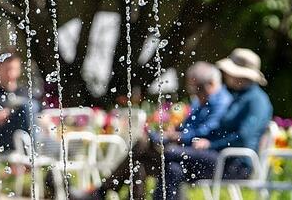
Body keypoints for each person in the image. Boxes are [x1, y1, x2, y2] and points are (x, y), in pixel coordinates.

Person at [90, 62, 233, 198]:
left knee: (143, 144)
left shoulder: (222, 102)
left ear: (211, 84)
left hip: (201, 155)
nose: (194, 93)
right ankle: (115, 194)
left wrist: (176, 136)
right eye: (192, 89)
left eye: (198, 88)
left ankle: (101, 192)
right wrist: (173, 131)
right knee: (140, 162)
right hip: (183, 152)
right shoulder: (201, 100)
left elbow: (206, 132)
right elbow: (185, 127)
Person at [152, 48, 273, 200]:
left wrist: (210, 145)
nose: (225, 74)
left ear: (239, 74)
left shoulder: (256, 100)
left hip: (236, 164)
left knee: (171, 152)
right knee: (172, 169)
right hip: (222, 158)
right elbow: (221, 129)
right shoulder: (239, 96)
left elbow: (242, 136)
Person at [0, 51, 39, 153]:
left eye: (13, 69)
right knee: (27, 106)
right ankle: (35, 152)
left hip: (26, 135)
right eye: (7, 69)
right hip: (2, 137)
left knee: (30, 106)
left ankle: (35, 150)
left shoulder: (26, 92)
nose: (10, 73)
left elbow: (42, 117)